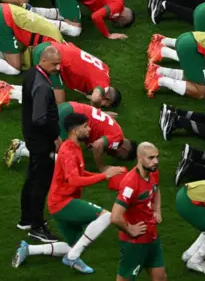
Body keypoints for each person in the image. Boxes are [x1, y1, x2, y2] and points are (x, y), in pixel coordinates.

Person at [13, 112, 125, 273]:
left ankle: (29, 249)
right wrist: (103, 175)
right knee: (107, 216)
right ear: (74, 131)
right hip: (63, 203)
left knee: (74, 244)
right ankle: (73, 258)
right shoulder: (68, 152)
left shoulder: (73, 147)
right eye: (85, 126)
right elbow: (74, 181)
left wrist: (105, 176)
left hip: (59, 202)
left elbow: (80, 173)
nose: (89, 129)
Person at [0, 41, 122, 113]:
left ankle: (6, 89)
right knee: (60, 105)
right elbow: (95, 97)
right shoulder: (102, 86)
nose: (102, 105)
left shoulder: (105, 69)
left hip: (53, 47)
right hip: (54, 58)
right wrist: (97, 112)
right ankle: (9, 92)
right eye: (105, 104)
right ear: (107, 97)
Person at [5, 101, 137, 170]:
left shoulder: (115, 128)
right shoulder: (117, 138)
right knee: (63, 156)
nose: (112, 154)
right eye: (118, 155)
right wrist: (102, 167)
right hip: (70, 116)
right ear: (124, 149)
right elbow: (98, 146)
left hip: (70, 108)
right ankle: (21, 149)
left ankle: (26, 145)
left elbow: (97, 126)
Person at [18, 45, 62, 243]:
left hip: (32, 137)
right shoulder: (43, 86)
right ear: (43, 61)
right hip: (41, 142)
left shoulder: (32, 74)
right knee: (40, 183)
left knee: (31, 178)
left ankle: (26, 218)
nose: (58, 68)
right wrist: (54, 135)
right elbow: (40, 118)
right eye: (54, 64)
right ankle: (37, 226)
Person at [111, 143, 167, 281]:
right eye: (151, 158)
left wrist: (157, 209)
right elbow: (115, 217)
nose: (156, 161)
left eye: (157, 157)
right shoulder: (130, 183)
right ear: (139, 158)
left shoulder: (153, 172)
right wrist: (130, 229)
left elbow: (156, 189)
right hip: (135, 243)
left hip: (152, 237)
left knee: (160, 278)